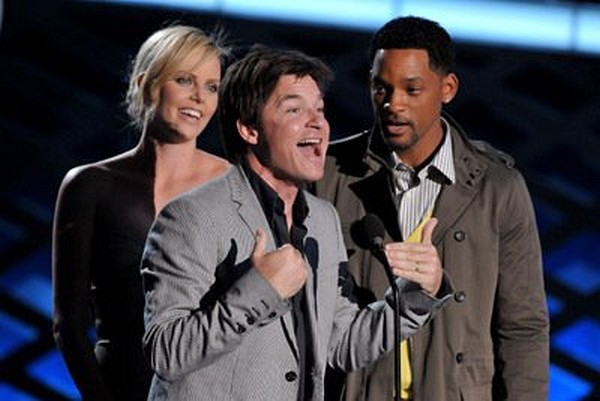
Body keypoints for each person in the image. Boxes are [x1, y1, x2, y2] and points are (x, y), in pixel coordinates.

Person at [140, 45, 452, 401]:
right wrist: (259, 290)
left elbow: (341, 342)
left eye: (319, 109)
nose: (317, 123)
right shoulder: (190, 216)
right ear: (249, 129)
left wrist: (416, 294)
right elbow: (166, 353)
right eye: (294, 109)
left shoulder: (322, 218)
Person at [314, 16, 550, 401]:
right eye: (381, 88)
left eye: (412, 89)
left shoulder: (497, 188)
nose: (393, 104)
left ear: (447, 88)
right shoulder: (327, 175)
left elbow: (523, 327)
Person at [51, 25, 230, 401]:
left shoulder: (234, 187)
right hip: (119, 386)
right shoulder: (89, 184)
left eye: (212, 86)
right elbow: (68, 321)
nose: (199, 97)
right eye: (185, 80)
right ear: (147, 83)